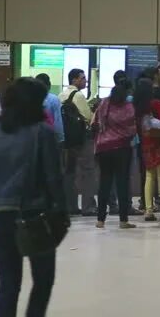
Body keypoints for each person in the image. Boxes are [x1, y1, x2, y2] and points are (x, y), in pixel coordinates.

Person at [0, 77, 67, 317]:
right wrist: (62, 212)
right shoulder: (42, 132)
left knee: (9, 283)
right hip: (33, 216)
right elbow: (53, 177)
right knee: (43, 280)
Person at [93, 84, 137, 229]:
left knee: (104, 183)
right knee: (122, 184)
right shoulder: (128, 108)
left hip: (104, 148)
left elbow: (96, 122)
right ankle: (123, 220)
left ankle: (100, 220)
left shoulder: (104, 103)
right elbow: (132, 130)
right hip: (122, 149)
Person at [59, 68, 97, 216]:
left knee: (69, 172)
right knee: (88, 171)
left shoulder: (61, 95)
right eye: (82, 78)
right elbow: (88, 117)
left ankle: (71, 205)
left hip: (67, 140)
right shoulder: (78, 95)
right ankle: (88, 207)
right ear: (74, 80)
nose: (85, 81)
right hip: (81, 139)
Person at [134, 78, 160, 222]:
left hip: (144, 142)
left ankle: (148, 209)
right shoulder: (155, 103)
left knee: (149, 175)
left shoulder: (136, 106)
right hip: (157, 141)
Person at [35, 74, 64, 144]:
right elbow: (57, 121)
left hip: (33, 138)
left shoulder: (30, 98)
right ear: (49, 85)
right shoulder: (53, 99)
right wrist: (61, 139)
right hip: (49, 137)